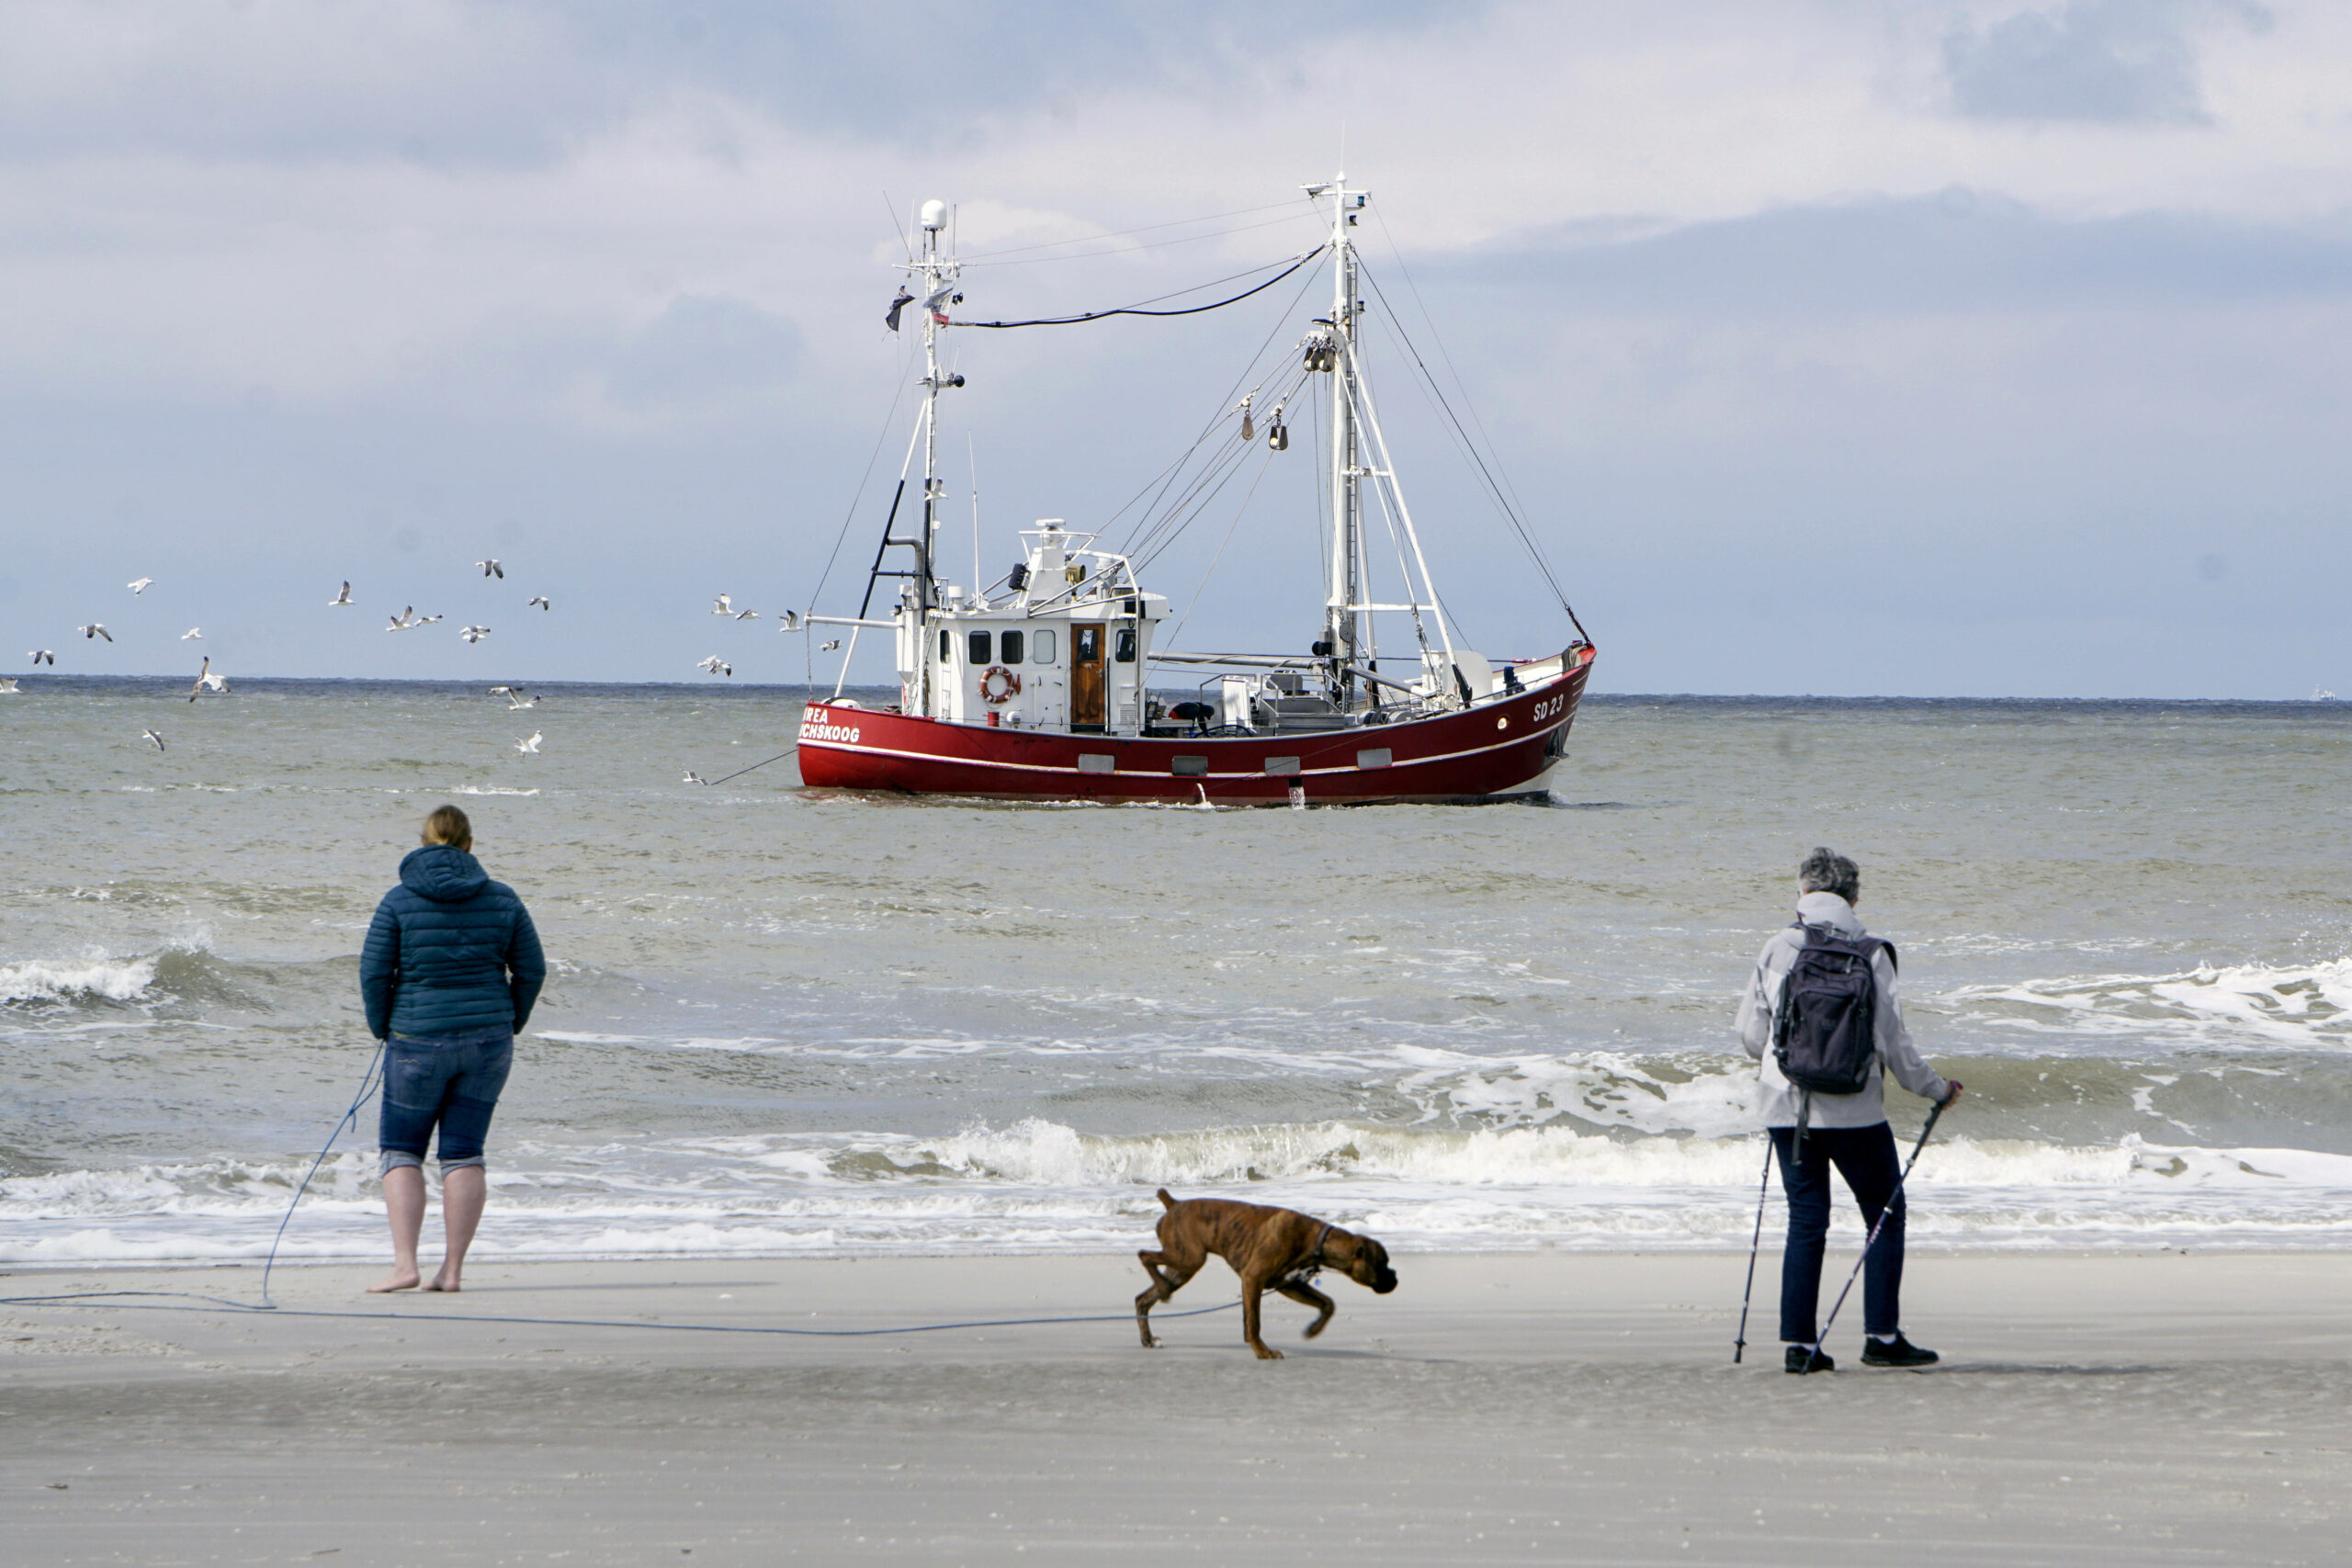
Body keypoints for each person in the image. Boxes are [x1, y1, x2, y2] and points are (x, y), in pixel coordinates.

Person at [1736, 848, 1960, 1373]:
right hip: (1854, 1112)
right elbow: (1895, 1044)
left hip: (1785, 1106)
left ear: (1803, 893)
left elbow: (1750, 1035)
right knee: (1884, 1213)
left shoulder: (1778, 947)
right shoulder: (1871, 952)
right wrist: (1934, 1089)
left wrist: (1788, 1062)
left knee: (1806, 1219)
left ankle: (1799, 1347)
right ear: (1855, 896)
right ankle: (1881, 1337)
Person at [356, 805, 545, 1293]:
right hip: (489, 1039)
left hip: (417, 1038)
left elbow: (374, 973)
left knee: (401, 1151)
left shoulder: (399, 900)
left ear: (423, 842)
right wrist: (512, 1020)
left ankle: (405, 1265)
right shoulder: (503, 899)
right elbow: (532, 970)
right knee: (464, 1154)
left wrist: (382, 1026)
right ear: (469, 845)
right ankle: (453, 1270)